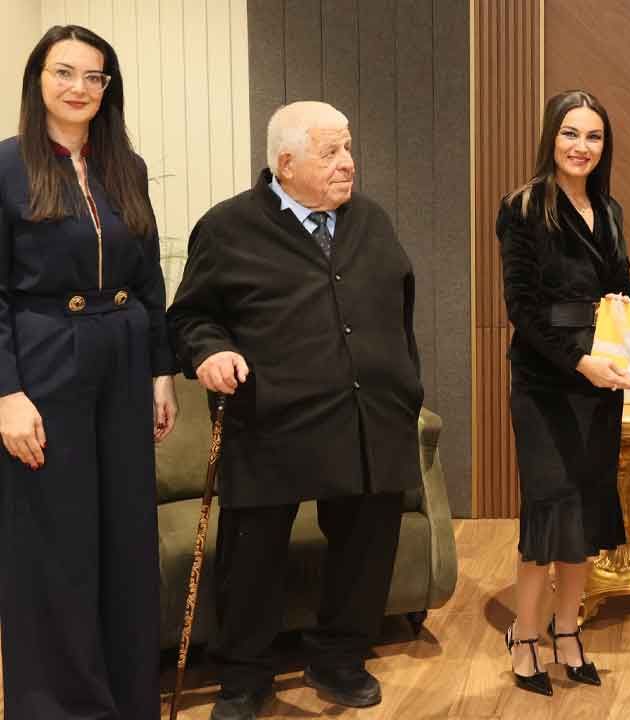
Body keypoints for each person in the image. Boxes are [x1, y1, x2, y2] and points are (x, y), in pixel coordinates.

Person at [167, 101, 424, 720]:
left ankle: (339, 657)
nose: (348, 162)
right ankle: (244, 676)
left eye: (348, 147)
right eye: (331, 152)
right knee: (252, 554)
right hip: (271, 418)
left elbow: (398, 306)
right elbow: (190, 318)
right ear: (285, 163)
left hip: (369, 416)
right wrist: (211, 351)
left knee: (367, 543)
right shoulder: (228, 227)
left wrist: (404, 383)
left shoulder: (370, 220)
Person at [0, 24, 177, 719]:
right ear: (37, 80)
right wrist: (7, 392)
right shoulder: (7, 166)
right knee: (56, 544)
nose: (79, 87)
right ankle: (62, 708)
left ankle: (129, 702)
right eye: (63, 72)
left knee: (126, 540)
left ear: (109, 88)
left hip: (124, 360)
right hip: (45, 361)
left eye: (94, 76)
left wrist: (161, 371)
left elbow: (150, 276)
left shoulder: (125, 167)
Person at [496, 89, 630, 697]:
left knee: (584, 512)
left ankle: (568, 632)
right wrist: (580, 362)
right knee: (549, 513)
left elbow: (622, 281)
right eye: (571, 133)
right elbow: (522, 310)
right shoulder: (523, 207)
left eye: (594, 136)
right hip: (548, 381)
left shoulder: (608, 209)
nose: (582, 146)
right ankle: (525, 638)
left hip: (601, 381)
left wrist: (624, 301)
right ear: (551, 138)